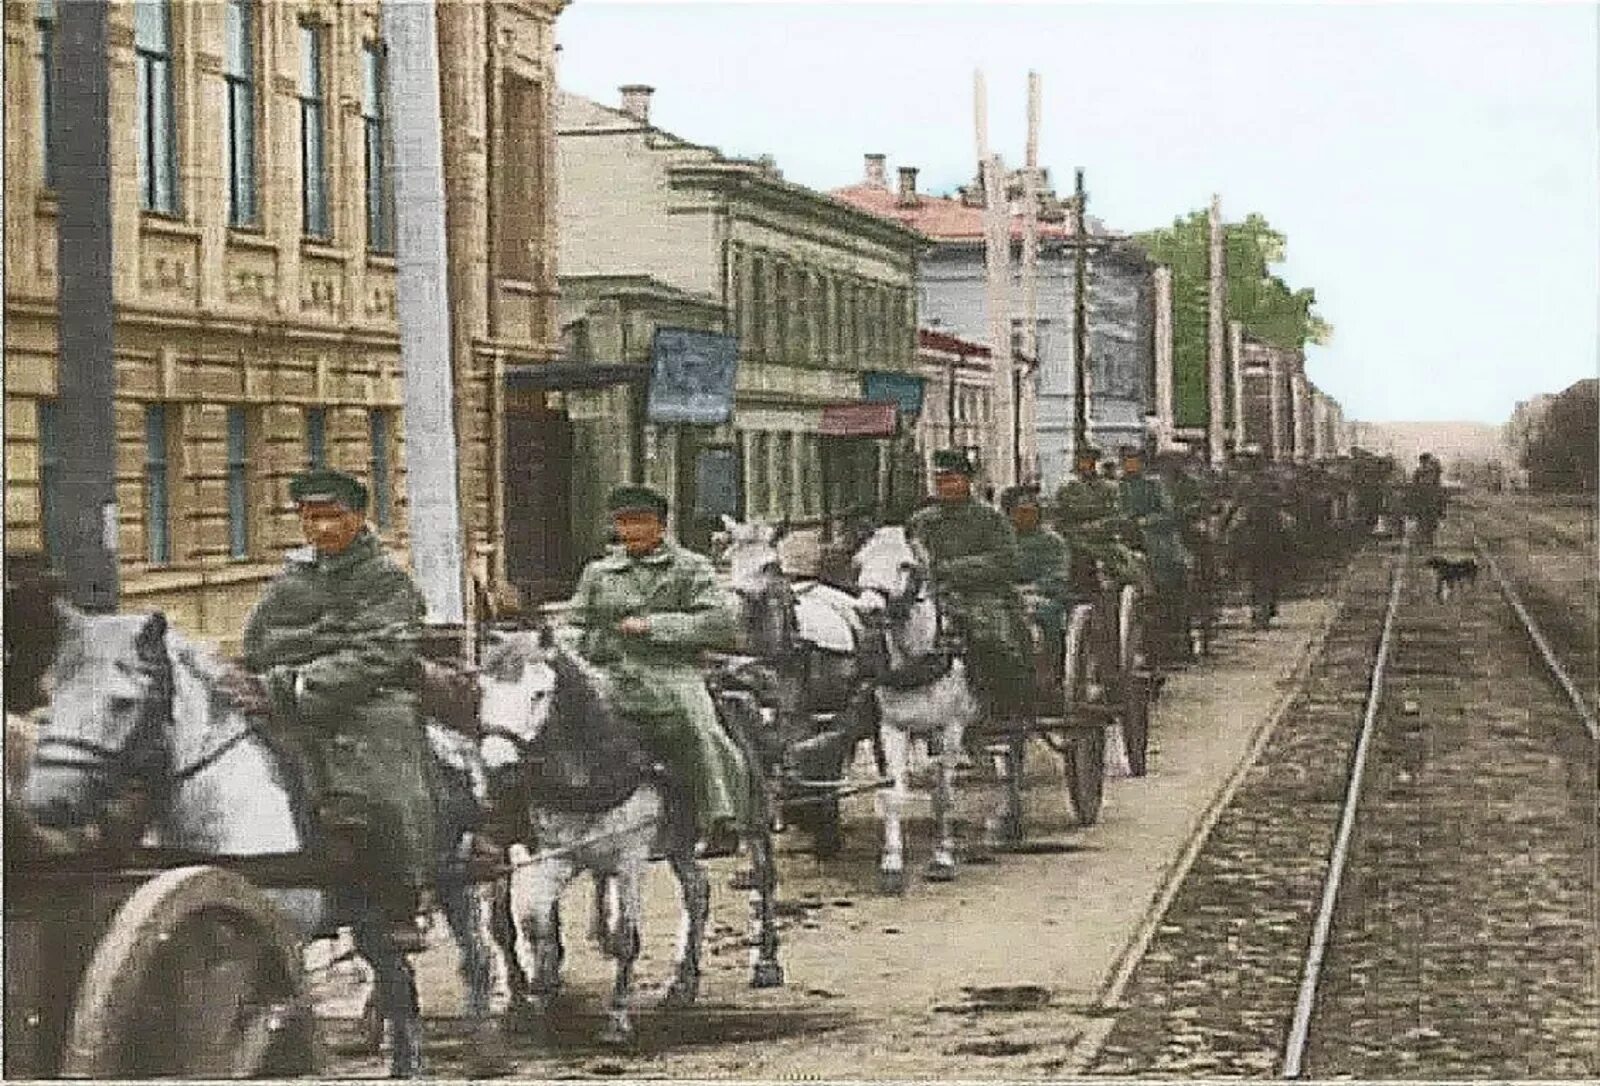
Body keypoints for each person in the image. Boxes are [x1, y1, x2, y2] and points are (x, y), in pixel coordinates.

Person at [238, 469, 436, 950]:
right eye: (311, 518)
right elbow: (260, 642)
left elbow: (384, 651)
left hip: (369, 700)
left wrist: (309, 675)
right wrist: (323, 640)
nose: (322, 528)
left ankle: (400, 895)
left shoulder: (385, 577)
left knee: (387, 787)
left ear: (359, 517)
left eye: (333, 516)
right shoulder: (292, 576)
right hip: (282, 692)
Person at [568, 484, 748, 858]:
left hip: (672, 671)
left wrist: (654, 626)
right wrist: (565, 645)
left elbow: (719, 624)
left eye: (639, 522)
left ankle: (721, 816)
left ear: (660, 526)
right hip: (612, 672)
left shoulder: (690, 568)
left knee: (701, 726)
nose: (630, 531)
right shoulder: (598, 573)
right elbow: (576, 623)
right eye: (623, 523)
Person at [906, 451, 1034, 721]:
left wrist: (951, 569)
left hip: (982, 595)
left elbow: (1006, 561)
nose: (944, 487)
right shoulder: (921, 521)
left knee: (993, 640)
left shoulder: (990, 519)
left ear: (967, 482)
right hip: (932, 596)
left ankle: (1004, 704)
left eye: (951, 480)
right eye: (939, 481)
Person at [1118, 446, 1192, 664]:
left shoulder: (1154, 485)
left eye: (1134, 461)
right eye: (1127, 461)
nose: (1130, 466)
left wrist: (1145, 522)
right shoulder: (1116, 487)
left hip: (1154, 539)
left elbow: (1168, 512)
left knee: (1168, 575)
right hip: (1123, 537)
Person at [1002, 484, 1074, 690]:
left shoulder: (1053, 542)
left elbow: (1059, 575)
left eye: (1030, 512)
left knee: (1046, 615)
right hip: (1007, 595)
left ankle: (1050, 674)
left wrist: (1032, 589)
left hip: (1044, 595)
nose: (1025, 517)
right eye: (1020, 512)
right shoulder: (1002, 540)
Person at [1225, 451, 1287, 630]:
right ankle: (1264, 610)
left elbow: (1233, 507)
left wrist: (1224, 526)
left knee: (1252, 573)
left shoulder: (1244, 483)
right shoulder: (1270, 481)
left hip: (1254, 533)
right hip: (1266, 533)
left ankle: (1258, 611)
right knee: (1267, 572)